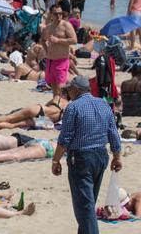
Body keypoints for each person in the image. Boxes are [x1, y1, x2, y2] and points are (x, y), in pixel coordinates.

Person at [51, 75, 121, 234]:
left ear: (76, 89)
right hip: (101, 157)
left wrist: (55, 160)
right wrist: (117, 157)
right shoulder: (103, 104)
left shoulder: (73, 107)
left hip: (82, 158)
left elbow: (65, 138)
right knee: (88, 203)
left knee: (85, 206)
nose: (68, 92)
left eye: (70, 89)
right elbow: (113, 133)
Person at [41, 3, 77, 103]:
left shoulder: (66, 25)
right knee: (54, 89)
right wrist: (46, 49)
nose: (59, 16)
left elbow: (74, 40)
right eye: (56, 14)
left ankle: (62, 108)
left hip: (61, 61)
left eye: (61, 13)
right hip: (50, 61)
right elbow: (42, 40)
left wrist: (58, 40)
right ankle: (56, 108)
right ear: (51, 14)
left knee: (61, 89)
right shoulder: (48, 28)